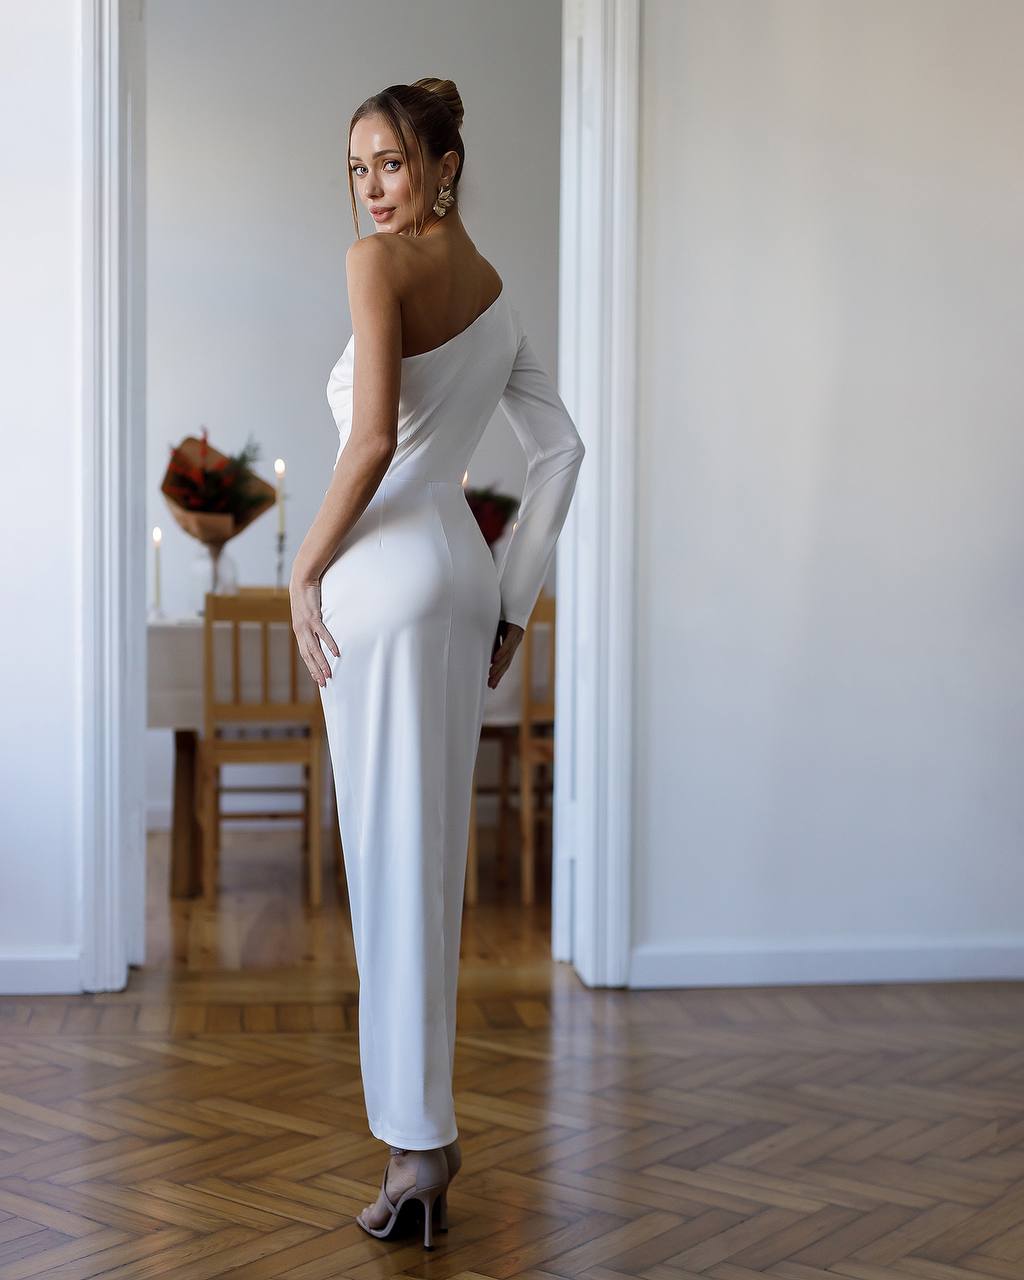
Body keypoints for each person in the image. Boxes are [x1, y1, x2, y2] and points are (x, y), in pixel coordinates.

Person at [288, 78, 585, 1248]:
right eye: (357, 168)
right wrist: (513, 602)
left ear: (444, 165)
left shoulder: (377, 270)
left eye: (391, 165)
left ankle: (417, 1145)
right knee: (427, 854)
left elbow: (368, 441)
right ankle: (425, 1135)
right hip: (459, 581)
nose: (370, 190)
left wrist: (304, 568)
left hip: (385, 587)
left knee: (390, 859)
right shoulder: (498, 299)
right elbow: (559, 451)